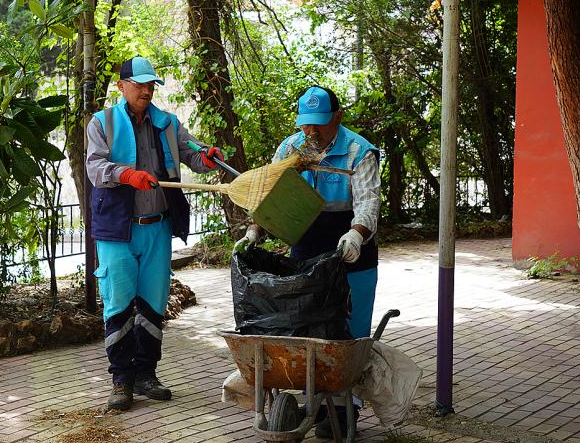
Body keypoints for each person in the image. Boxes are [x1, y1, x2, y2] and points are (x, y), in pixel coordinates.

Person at [236, 85, 380, 437]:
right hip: (305, 256)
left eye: (319, 123)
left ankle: (346, 408)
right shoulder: (290, 149)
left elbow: (368, 202)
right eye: (306, 124)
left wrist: (356, 234)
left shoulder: (358, 152)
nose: (311, 131)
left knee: (348, 335)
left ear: (337, 117)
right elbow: (269, 196)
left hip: (351, 255)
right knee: (306, 330)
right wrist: (255, 230)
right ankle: (314, 399)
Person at [86, 56, 225, 411]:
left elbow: (192, 153)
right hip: (117, 230)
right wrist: (125, 174)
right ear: (121, 86)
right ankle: (121, 381)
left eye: (151, 85)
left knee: (152, 304)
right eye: (140, 84)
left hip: (157, 226)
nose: (147, 90)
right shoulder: (102, 123)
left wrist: (206, 157)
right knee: (118, 304)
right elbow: (95, 167)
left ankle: (146, 374)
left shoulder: (166, 123)